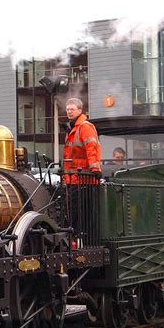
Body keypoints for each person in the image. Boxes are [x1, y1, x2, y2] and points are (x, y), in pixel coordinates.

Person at [63, 98, 101, 234]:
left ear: (80, 110)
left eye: (72, 109)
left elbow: (92, 148)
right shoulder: (72, 128)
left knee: (81, 213)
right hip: (73, 178)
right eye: (67, 109)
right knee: (73, 212)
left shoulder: (85, 127)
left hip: (83, 179)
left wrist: (94, 169)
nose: (69, 112)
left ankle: (80, 237)